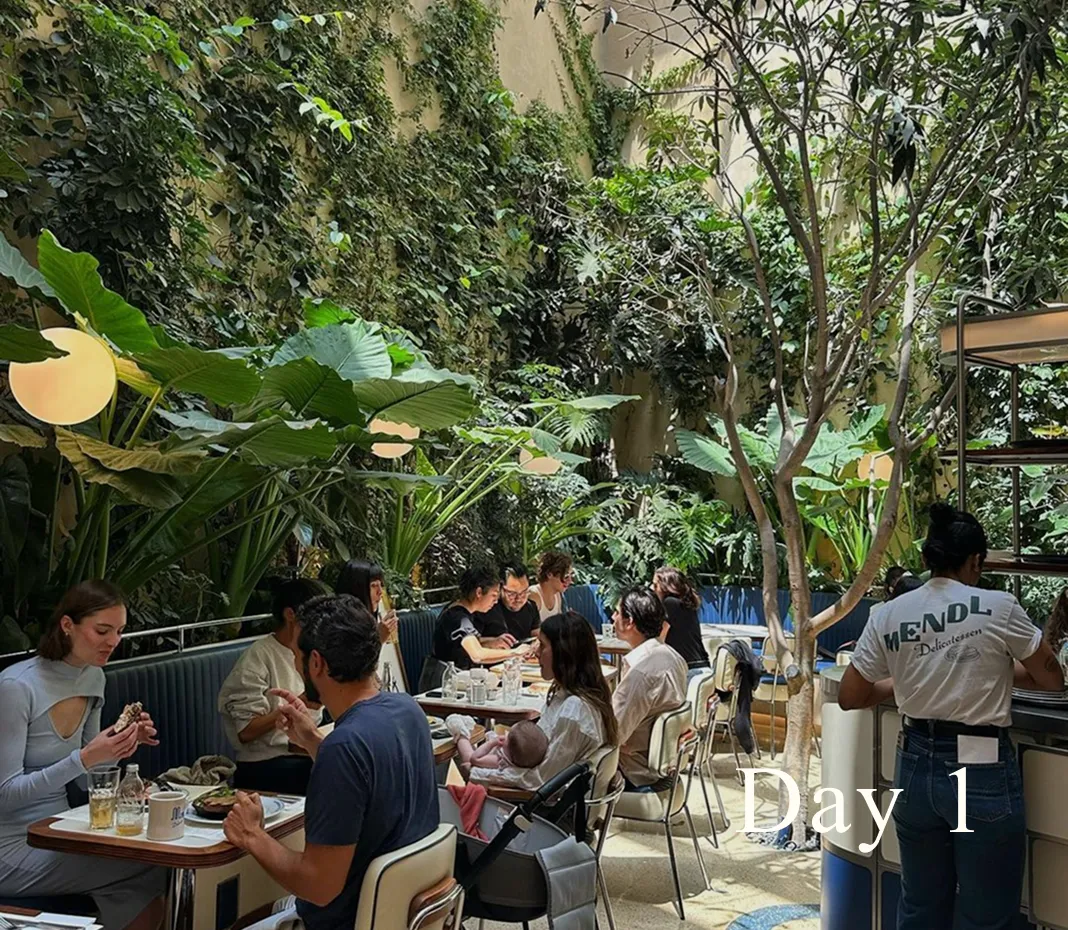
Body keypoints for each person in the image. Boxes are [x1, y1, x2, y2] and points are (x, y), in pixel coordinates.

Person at [839, 503, 1064, 930]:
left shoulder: (888, 614)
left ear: (927, 561)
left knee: (921, 907)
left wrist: (904, 684)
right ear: (976, 561)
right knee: (985, 916)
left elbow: (852, 695)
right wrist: (993, 666)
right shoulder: (998, 606)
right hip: (980, 769)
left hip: (915, 763)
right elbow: (1051, 680)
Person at [222, 594, 438, 930]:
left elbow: (318, 887)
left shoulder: (345, 746)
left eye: (297, 656)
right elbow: (368, 777)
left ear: (317, 663)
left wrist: (252, 834)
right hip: (402, 915)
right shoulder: (408, 711)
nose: (295, 664)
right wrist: (310, 739)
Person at [0, 581, 166, 930]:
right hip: (12, 845)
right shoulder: (16, 688)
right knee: (156, 864)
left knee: (153, 867)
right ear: (67, 625)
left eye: (119, 631)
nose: (113, 641)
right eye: (102, 630)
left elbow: (83, 778)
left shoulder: (94, 678)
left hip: (64, 831)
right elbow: (5, 796)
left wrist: (122, 744)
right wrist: (85, 758)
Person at [465, 610, 618, 791]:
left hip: (546, 815)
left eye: (543, 645)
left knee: (464, 772)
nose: (536, 651)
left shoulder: (574, 710)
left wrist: (480, 773)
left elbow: (542, 781)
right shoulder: (575, 697)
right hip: (554, 806)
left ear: (564, 653)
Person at [218, 578, 327, 794]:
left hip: (301, 752)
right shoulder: (258, 656)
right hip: (266, 763)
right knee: (330, 772)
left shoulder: (312, 651)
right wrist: (296, 706)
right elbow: (245, 732)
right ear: (290, 615)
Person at [611, 586, 687, 790]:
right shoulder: (674, 657)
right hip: (663, 766)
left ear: (630, 622)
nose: (613, 616)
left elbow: (611, 735)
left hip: (632, 773)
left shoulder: (642, 675)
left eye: (617, 612)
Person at [420, 566, 530, 690]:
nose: (495, 602)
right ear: (479, 592)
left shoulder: (458, 611)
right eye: (493, 596)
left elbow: (461, 643)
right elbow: (477, 655)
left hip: (453, 682)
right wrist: (514, 653)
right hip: (444, 687)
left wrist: (492, 642)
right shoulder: (459, 618)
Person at [653, 566, 710, 680]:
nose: (652, 589)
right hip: (701, 668)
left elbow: (659, 639)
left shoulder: (669, 603)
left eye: (655, 585)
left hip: (688, 672)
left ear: (666, 587)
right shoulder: (686, 604)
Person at [446, 718, 548, 778]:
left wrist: (492, 743)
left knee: (468, 756)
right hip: (485, 754)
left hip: (477, 758)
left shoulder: (499, 760)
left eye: (508, 734)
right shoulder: (519, 757)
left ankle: (460, 733)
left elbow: (475, 759)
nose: (506, 733)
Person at [334, 559, 397, 644]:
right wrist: (378, 639)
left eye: (381, 585)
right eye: (373, 585)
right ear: (357, 588)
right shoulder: (340, 628)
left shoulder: (365, 622)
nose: (380, 592)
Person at [476, 562, 540, 642]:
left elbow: (536, 635)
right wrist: (493, 641)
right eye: (512, 594)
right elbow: (470, 643)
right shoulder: (487, 607)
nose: (519, 598)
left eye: (524, 592)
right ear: (500, 588)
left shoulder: (531, 607)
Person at [530, 551, 573, 624]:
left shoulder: (557, 595)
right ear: (549, 574)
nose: (570, 581)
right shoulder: (534, 596)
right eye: (566, 577)